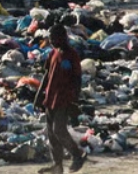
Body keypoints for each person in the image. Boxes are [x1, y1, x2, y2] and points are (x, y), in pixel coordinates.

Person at [35, 24, 86, 174]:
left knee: (59, 130)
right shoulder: (53, 53)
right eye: (50, 38)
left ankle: (77, 155)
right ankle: (57, 166)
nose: (51, 41)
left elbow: (77, 79)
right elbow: (46, 75)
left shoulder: (72, 55)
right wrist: (39, 95)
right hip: (51, 96)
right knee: (51, 133)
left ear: (63, 37)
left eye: (54, 38)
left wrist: (75, 100)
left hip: (64, 98)